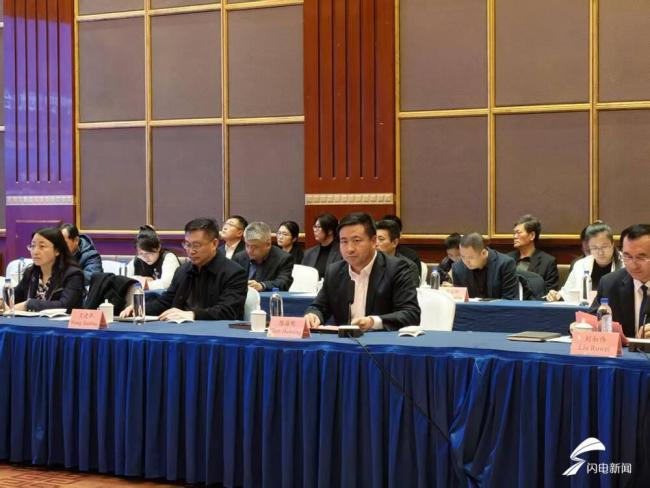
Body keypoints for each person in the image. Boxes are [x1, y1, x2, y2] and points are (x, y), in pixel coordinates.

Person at [304, 212, 420, 330]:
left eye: (356, 240)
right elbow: (319, 306)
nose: (350, 249)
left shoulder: (396, 269)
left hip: (381, 340)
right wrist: (314, 315)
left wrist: (373, 322)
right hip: (344, 340)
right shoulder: (334, 271)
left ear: (373, 241)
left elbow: (411, 314)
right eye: (344, 241)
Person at [120, 218, 247, 321]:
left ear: (214, 244)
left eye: (196, 245)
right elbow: (166, 302)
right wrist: (140, 308)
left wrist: (193, 314)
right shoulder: (183, 270)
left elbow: (228, 311)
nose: (191, 251)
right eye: (187, 244)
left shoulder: (234, 273)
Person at [592, 224, 650, 338]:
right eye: (627, 256)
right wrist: (580, 326)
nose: (633, 265)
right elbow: (591, 320)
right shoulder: (609, 283)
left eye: (641, 257)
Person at [13, 227, 85, 312]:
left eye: (42, 246)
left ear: (57, 251)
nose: (35, 252)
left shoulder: (73, 275)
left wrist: (29, 304)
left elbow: (65, 306)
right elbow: (14, 298)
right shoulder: (31, 273)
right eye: (32, 246)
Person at [548, 221, 623, 301]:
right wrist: (557, 296)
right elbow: (567, 293)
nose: (600, 252)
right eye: (594, 248)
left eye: (604, 247)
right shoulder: (581, 265)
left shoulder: (625, 263)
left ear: (612, 244)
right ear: (588, 247)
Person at [452, 233, 518, 299]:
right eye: (463, 257)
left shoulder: (505, 264)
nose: (466, 262)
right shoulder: (458, 268)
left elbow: (509, 299)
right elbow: (459, 299)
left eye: (470, 257)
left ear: (483, 253)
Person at [233, 221, 294, 291]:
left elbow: (283, 283)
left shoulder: (283, 259)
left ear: (268, 244)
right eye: (247, 245)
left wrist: (262, 285)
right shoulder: (239, 257)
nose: (249, 251)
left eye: (255, 247)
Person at [507, 214, 560, 293]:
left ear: (532, 235)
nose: (515, 236)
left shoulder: (548, 262)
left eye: (518, 233)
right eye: (514, 233)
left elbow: (550, 293)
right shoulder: (507, 259)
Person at [126, 225, 180, 290]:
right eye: (141, 253)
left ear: (158, 247)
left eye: (148, 253)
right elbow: (124, 280)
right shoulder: (137, 260)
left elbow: (167, 283)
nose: (145, 257)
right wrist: (142, 279)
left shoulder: (169, 258)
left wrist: (144, 284)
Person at [375, 219, 421, 288]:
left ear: (394, 243)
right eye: (374, 239)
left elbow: (409, 293)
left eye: (381, 239)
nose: (376, 243)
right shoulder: (367, 263)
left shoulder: (408, 267)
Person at [302, 213, 342, 278]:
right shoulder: (309, 253)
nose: (315, 230)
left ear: (330, 231)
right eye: (315, 226)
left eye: (318, 227)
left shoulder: (341, 252)